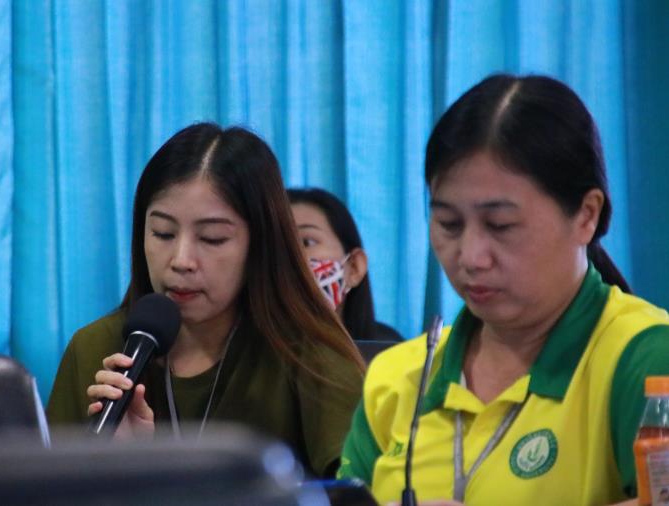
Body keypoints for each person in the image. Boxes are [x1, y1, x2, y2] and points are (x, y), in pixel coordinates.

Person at [337, 74, 669, 505]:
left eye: (501, 225)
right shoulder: (396, 379)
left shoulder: (645, 357)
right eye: (449, 224)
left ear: (586, 215)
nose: (471, 256)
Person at [47, 122, 365, 478]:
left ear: (261, 245)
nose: (181, 260)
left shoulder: (311, 355)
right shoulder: (96, 349)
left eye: (212, 238)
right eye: (163, 233)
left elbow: (366, 493)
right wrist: (120, 467)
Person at [288, 187, 403, 343]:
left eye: (307, 242)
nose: (286, 255)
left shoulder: (390, 352)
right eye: (272, 245)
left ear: (354, 267)